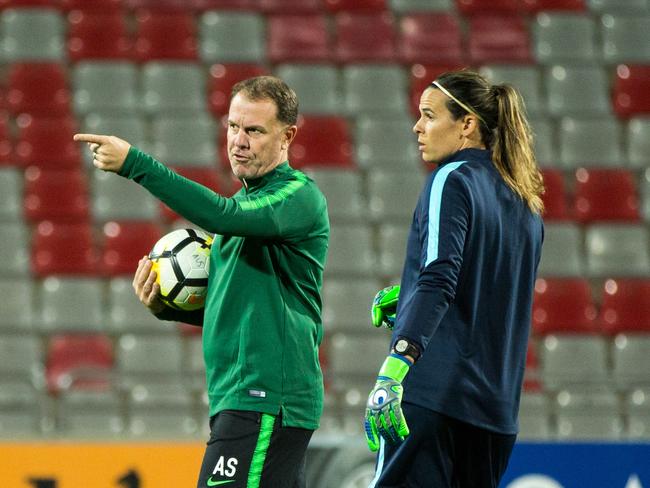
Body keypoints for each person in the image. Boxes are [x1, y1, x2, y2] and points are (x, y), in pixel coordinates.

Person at [74, 76, 329, 488]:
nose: (238, 141)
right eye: (232, 126)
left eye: (254, 130)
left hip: (266, 397)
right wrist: (167, 309)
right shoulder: (250, 204)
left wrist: (136, 164)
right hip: (245, 397)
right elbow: (242, 309)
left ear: (288, 136)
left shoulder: (296, 196)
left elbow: (222, 215)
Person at [364, 70, 545, 488]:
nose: (417, 126)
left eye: (429, 115)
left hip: (433, 398)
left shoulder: (452, 178)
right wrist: (408, 299)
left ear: (466, 125)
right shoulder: (526, 203)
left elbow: (439, 277)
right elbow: (490, 293)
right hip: (495, 416)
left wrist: (395, 367)